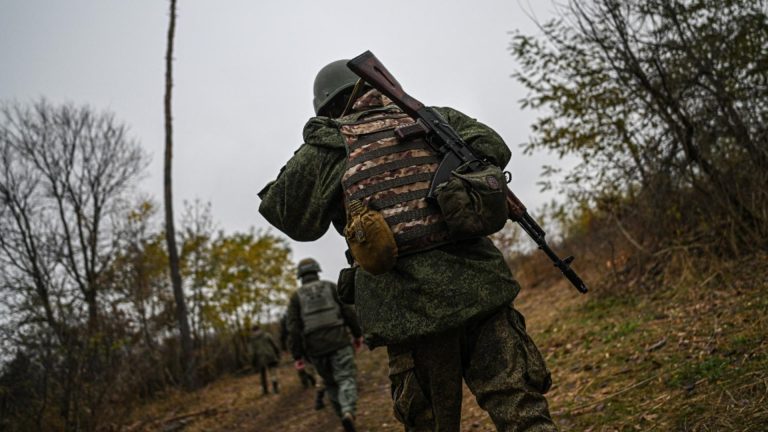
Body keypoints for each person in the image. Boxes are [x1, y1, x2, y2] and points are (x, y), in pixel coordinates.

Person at [258, 59, 556, 431]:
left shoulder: (330, 146)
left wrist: (316, 143)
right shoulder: (432, 118)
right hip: (481, 291)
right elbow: (493, 146)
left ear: (328, 107)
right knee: (523, 413)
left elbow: (284, 213)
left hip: (407, 312)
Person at [285, 258, 363, 432]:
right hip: (339, 341)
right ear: (317, 271)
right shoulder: (330, 287)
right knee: (346, 378)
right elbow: (348, 312)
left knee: (330, 383)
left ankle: (343, 416)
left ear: (300, 275)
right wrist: (358, 335)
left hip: (316, 349)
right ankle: (348, 411)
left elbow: (293, 329)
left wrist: (297, 356)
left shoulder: (296, 297)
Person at [249, 324, 280, 395]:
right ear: (259, 329)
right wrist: (277, 353)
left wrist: (253, 362)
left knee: (263, 375)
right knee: (273, 373)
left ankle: (265, 390)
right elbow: (274, 345)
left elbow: (252, 352)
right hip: (270, 356)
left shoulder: (253, 339)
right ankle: (275, 388)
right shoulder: (267, 335)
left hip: (260, 359)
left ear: (253, 331)